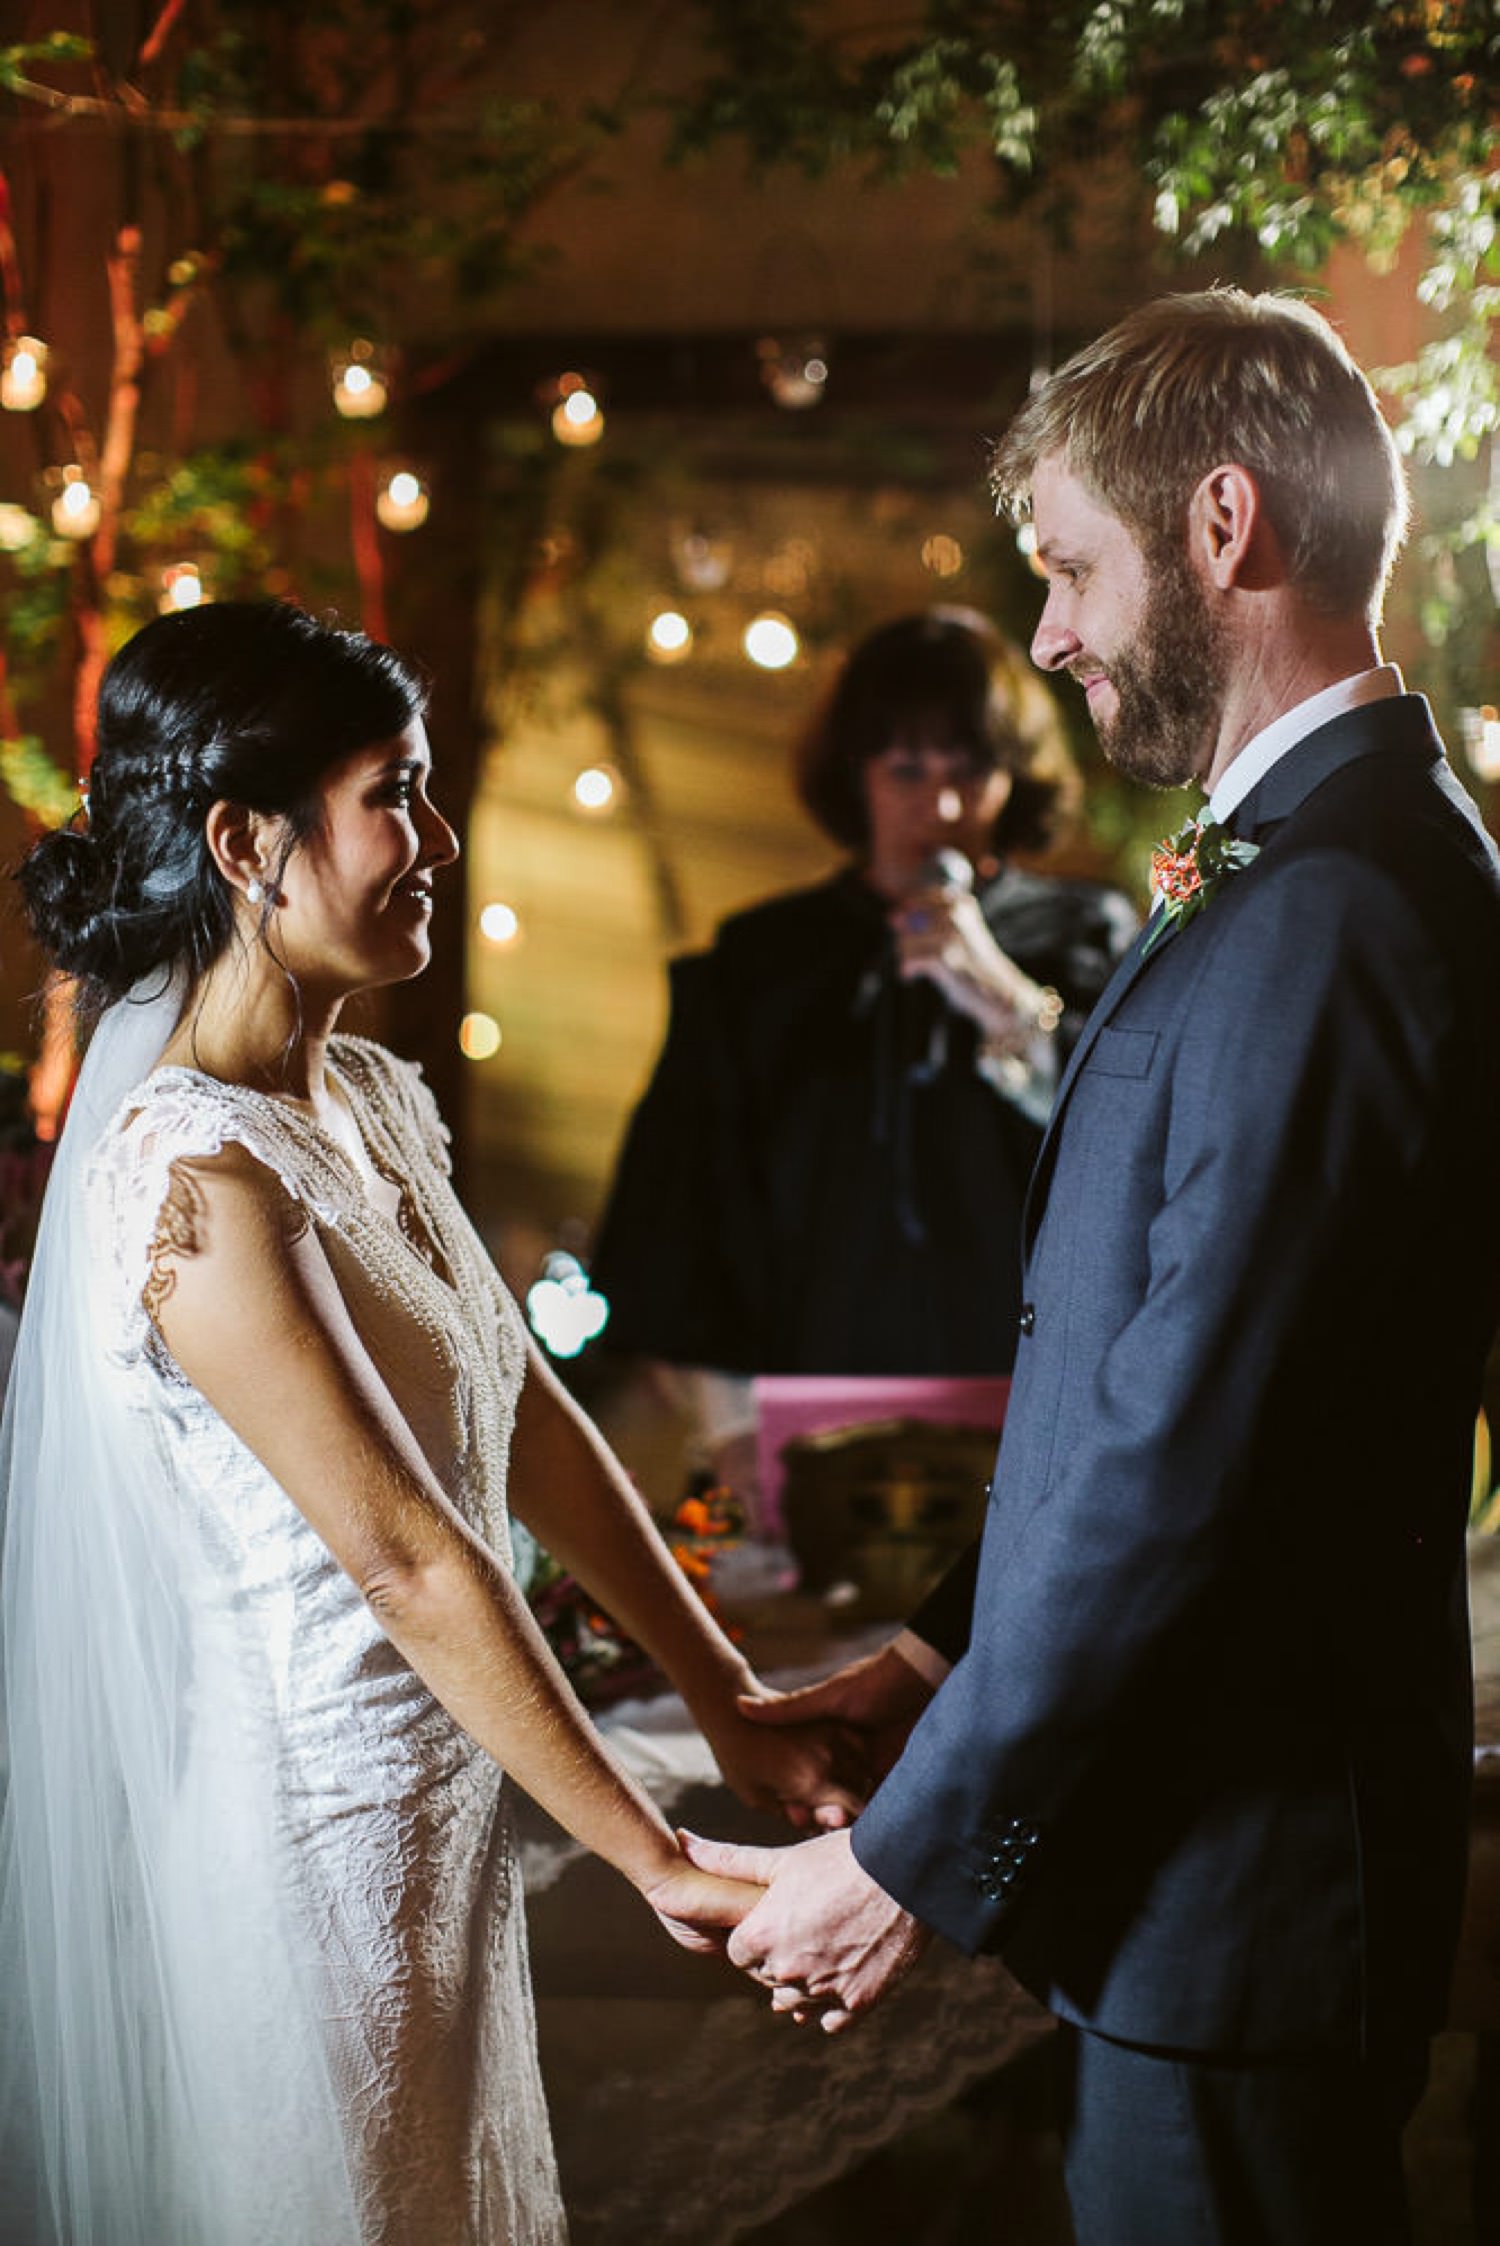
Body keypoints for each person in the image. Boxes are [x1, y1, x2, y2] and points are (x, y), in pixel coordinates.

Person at [683, 290, 1500, 2243]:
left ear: (1224, 527)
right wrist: (947, 1645)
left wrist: (901, 1854)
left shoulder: (1337, 904)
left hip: (1249, 1890)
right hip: (1198, 1894)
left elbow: (1191, 1445)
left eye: (1069, 569)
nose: (1047, 632)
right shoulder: (1311, 856)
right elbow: (1168, 1383)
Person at [0, 602, 859, 2246]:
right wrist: (656, 1851)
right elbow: (404, 1551)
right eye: (394, 793)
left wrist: (727, 1693)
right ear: (247, 842)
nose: (437, 841)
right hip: (303, 1866)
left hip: (441, 1843)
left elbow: (522, 1413)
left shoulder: (375, 1099)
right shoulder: (195, 1178)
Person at [590, 607, 1137, 1389]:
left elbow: (1145, 1160)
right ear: (858, 774)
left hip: (1040, 1404)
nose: (943, 808)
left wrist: (1011, 1005)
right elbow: (680, 1219)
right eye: (909, 771)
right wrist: (731, 1423)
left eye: (971, 772)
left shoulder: (1084, 934)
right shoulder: (763, 964)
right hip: (810, 1406)